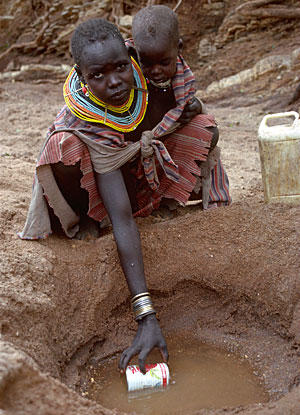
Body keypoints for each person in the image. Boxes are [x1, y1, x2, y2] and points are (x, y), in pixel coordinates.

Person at [18, 16, 229, 373]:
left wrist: (182, 110)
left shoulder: (152, 66)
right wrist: (145, 314)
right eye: (98, 75)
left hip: (135, 168)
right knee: (63, 148)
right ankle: (87, 216)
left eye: (120, 67)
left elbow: (179, 101)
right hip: (102, 181)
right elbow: (122, 218)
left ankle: (160, 200)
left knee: (202, 124)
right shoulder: (86, 116)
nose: (114, 81)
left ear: (130, 54)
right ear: (81, 75)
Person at [127, 4, 231, 210]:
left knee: (207, 130)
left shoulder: (182, 76)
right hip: (133, 156)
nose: (156, 71)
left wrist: (196, 107)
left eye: (164, 62)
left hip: (168, 150)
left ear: (179, 49)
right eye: (147, 63)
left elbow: (183, 109)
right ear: (133, 51)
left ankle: (207, 200)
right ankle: (143, 204)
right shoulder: (127, 75)